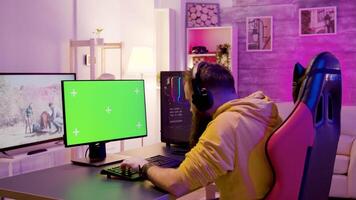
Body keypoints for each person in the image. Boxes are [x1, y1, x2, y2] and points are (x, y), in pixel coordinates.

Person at [121, 62, 282, 199]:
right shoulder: (262, 110)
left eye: (190, 101)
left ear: (203, 98)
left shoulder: (225, 126)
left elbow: (177, 184)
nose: (191, 109)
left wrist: (144, 166)